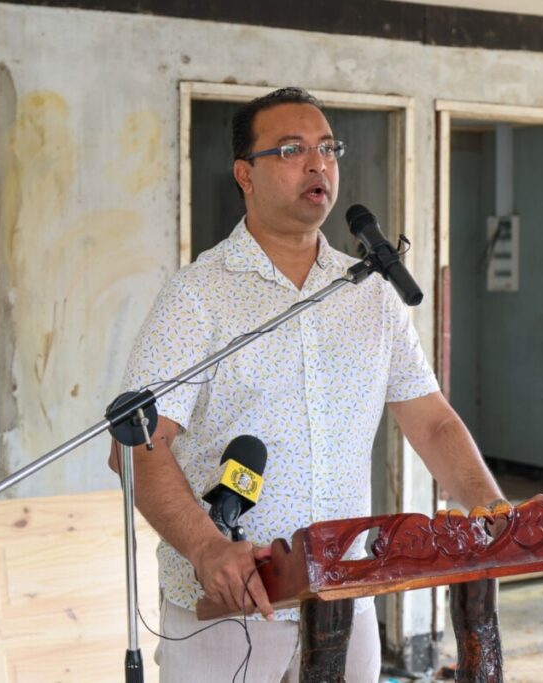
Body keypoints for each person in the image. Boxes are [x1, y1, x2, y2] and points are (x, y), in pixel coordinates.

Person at [110, 87, 503, 682]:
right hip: (231, 609)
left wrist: (492, 509)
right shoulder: (198, 296)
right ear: (245, 174)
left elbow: (432, 422)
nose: (318, 164)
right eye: (292, 150)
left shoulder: (370, 293)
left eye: (328, 148)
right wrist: (208, 548)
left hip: (345, 597)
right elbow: (136, 446)